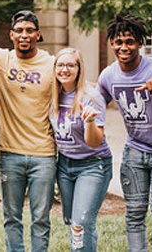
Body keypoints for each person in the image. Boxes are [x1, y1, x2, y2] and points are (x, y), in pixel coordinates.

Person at [97, 14, 152, 252]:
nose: (123, 47)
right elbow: (96, 107)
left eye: (129, 41)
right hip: (134, 152)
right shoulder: (108, 75)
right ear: (112, 44)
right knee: (134, 214)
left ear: (140, 43)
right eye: (118, 42)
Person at [0, 10, 56, 252]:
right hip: (10, 153)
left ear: (38, 35)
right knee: (12, 218)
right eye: (19, 30)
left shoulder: (51, 63)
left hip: (44, 154)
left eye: (30, 30)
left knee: (41, 219)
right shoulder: (1, 57)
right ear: (11, 35)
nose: (24, 35)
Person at [49, 48, 112, 251]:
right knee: (72, 221)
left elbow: (94, 142)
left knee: (81, 223)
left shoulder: (91, 96)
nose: (64, 69)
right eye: (60, 65)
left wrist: (90, 121)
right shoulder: (53, 96)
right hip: (65, 164)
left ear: (79, 69)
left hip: (93, 165)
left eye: (70, 65)